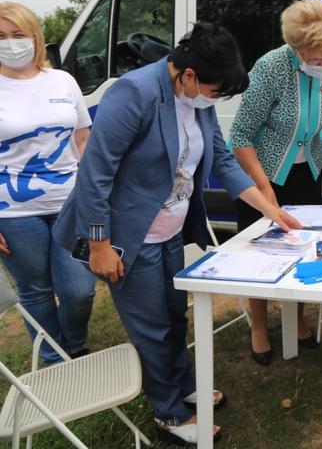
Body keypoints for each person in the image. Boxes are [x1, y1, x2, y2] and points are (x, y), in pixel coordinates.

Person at [53, 23, 300, 445]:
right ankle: (168, 413)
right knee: (149, 326)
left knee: (173, 314)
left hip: (170, 229)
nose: (214, 99)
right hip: (126, 236)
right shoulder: (134, 93)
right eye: (213, 90)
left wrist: (269, 209)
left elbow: (221, 158)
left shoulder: (197, 96)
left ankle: (182, 385)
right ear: (188, 75)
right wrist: (98, 243)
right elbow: (95, 173)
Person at [229, 0, 322, 366]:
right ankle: (259, 326)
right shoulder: (270, 68)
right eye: (316, 58)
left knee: (302, 247)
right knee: (259, 255)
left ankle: (296, 320)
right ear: (296, 50)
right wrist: (264, 189)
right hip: (262, 173)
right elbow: (240, 136)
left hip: (308, 172)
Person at [0, 1, 95, 365]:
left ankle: (73, 343)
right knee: (36, 289)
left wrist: (93, 193)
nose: (10, 43)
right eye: (2, 36)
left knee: (79, 289)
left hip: (70, 201)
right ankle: (54, 360)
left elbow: (84, 139)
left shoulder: (62, 80)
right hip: (12, 211)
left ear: (35, 38)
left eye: (18, 35)